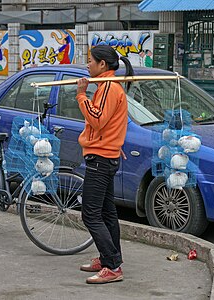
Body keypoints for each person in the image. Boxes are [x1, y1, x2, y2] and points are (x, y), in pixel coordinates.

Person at [76, 45, 134, 284]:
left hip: (101, 160)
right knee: (106, 212)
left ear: (102, 64)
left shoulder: (109, 88)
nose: (87, 64)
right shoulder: (107, 87)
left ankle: (112, 266)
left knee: (90, 214)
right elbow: (113, 124)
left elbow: (98, 120)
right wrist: (113, 143)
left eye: (90, 61)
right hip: (105, 156)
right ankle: (108, 257)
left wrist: (81, 94)